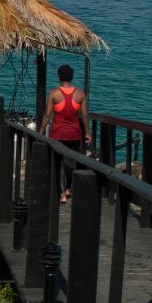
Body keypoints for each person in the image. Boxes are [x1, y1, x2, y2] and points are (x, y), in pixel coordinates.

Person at [38, 64, 92, 203]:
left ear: (59, 77)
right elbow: (85, 115)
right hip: (74, 134)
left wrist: (41, 132)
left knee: (57, 163)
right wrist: (87, 132)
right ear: (72, 77)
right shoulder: (80, 94)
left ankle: (61, 193)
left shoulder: (54, 93)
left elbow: (47, 114)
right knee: (70, 161)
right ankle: (68, 188)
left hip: (57, 134)